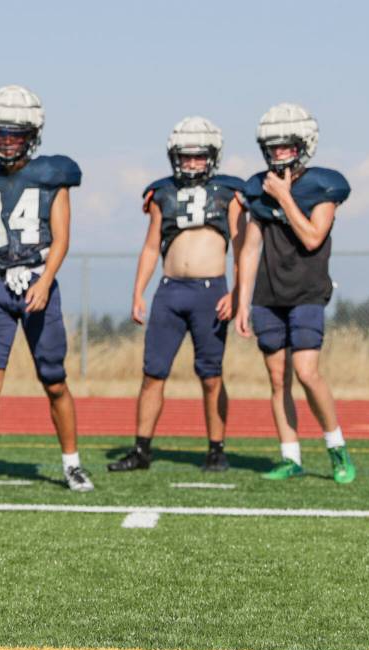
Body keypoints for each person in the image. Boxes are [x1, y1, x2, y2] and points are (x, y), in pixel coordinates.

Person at [0, 85, 94, 493]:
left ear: (32, 135)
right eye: (0, 133)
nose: (6, 142)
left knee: (54, 379)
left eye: (15, 134)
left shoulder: (53, 177)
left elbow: (61, 238)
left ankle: (72, 464)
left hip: (37, 279)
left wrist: (45, 281)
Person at [108, 117, 244, 474]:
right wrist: (138, 291)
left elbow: (243, 245)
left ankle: (216, 448)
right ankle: (141, 449)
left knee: (211, 374)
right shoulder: (162, 193)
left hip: (210, 292)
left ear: (213, 157)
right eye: (185, 157)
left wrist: (238, 291)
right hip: (169, 291)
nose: (192, 163)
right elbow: (152, 246)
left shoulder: (229, 193)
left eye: (199, 157)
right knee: (153, 373)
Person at [234, 103, 355, 484]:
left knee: (306, 372)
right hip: (268, 296)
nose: (280, 153)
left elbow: (312, 237)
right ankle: (290, 456)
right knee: (276, 379)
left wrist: (285, 197)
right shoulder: (258, 189)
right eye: (274, 147)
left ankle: (336, 447)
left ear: (305, 145)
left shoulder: (322, 186)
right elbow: (250, 249)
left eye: (287, 146)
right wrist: (242, 300)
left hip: (306, 291)